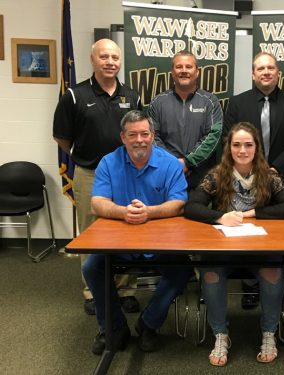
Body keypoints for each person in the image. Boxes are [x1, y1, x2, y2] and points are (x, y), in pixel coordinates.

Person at [184, 122, 284, 367]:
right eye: (236, 144)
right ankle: (220, 334)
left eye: (248, 144)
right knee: (210, 272)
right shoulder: (217, 175)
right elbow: (191, 206)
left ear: (256, 147)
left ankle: (269, 333)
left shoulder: (268, 176)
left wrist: (253, 213)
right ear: (229, 148)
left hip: (260, 249)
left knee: (273, 270)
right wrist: (219, 217)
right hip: (224, 250)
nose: (242, 150)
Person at [82, 110, 193, 355]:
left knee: (183, 268)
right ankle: (113, 328)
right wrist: (123, 212)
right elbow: (97, 203)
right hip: (120, 243)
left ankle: (148, 323)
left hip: (160, 244)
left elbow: (179, 203)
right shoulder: (108, 163)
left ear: (152, 135)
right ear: (123, 137)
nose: (139, 140)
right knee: (91, 267)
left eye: (144, 134)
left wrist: (149, 212)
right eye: (133, 134)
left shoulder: (169, 164)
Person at [53, 38, 142, 315]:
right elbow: (62, 136)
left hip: (127, 174)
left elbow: (139, 133)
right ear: (93, 60)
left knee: (127, 230)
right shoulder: (75, 95)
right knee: (92, 232)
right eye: (104, 57)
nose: (110, 62)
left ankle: (125, 289)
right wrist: (88, 157)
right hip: (89, 173)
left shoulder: (132, 95)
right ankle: (93, 291)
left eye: (115, 58)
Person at [224, 52, 284, 310]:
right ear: (253, 74)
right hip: (246, 180)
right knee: (250, 235)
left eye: (271, 68)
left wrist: (273, 169)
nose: (266, 72)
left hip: (282, 179)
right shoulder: (237, 104)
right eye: (260, 68)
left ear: (278, 73)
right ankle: (251, 288)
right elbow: (229, 141)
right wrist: (253, 170)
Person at [148, 50, 222, 189]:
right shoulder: (158, 102)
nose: (184, 70)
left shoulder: (211, 102)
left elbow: (213, 136)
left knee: (198, 210)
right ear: (172, 71)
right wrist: (173, 163)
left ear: (197, 72)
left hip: (203, 178)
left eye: (188, 67)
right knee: (168, 211)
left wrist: (188, 162)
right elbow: (152, 136)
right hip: (166, 174)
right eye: (179, 66)